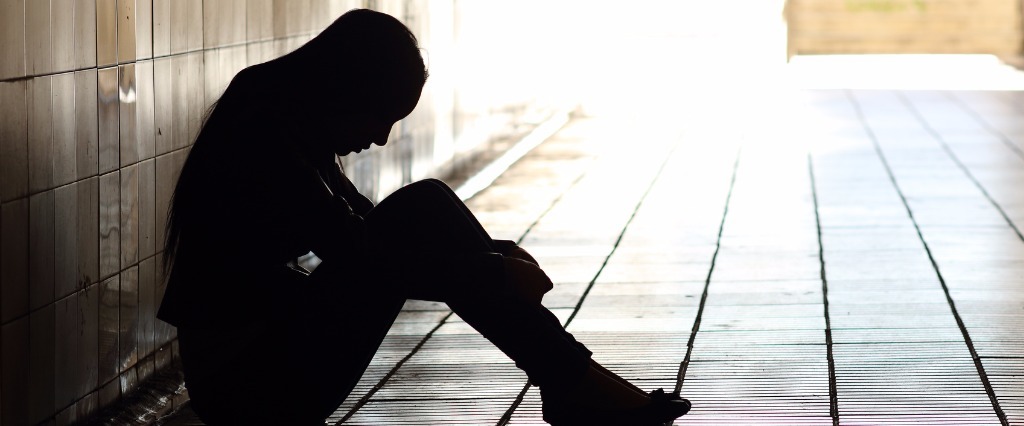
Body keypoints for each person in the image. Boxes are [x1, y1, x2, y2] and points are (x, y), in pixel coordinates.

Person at [157, 9, 691, 426]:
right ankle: (575, 384)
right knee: (421, 209)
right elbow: (364, 255)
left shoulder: (285, 112)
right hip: (247, 389)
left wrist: (494, 253)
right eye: (381, 116)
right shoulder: (263, 129)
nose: (381, 138)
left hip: (267, 362)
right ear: (347, 88)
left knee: (425, 204)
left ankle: (572, 383)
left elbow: (367, 230)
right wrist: (493, 273)